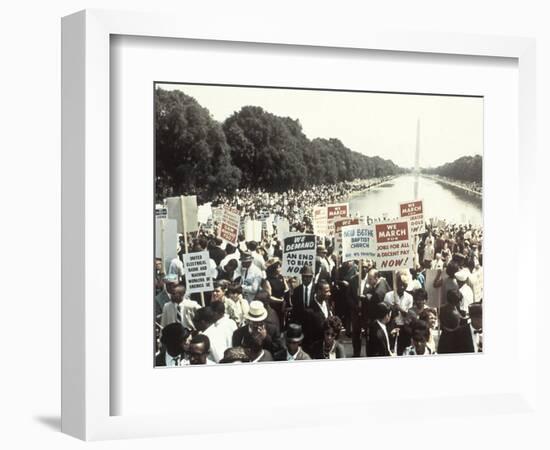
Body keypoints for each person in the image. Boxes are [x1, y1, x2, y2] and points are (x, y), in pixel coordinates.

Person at [383, 271, 413, 355]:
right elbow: (384, 314)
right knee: (391, 350)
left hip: (404, 328)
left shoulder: (409, 297)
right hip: (391, 326)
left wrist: (399, 308)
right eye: (400, 284)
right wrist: (391, 309)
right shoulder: (388, 296)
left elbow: (409, 316)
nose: (402, 287)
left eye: (404, 285)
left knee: (403, 350)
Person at [303, 280, 333, 352]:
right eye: (326, 291)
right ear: (319, 292)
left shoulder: (327, 304)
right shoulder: (309, 311)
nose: (329, 293)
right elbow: (308, 336)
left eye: (329, 291)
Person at [437, 289, 464, 354]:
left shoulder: (440, 309)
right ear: (457, 301)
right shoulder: (455, 314)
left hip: (443, 338)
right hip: (453, 341)